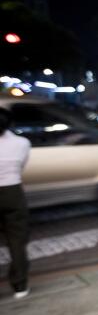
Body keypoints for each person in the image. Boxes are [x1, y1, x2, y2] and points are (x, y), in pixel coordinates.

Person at [0, 106, 32, 299]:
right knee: (17, 241)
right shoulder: (22, 143)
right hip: (13, 191)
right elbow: (21, 165)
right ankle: (20, 286)